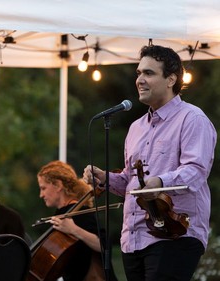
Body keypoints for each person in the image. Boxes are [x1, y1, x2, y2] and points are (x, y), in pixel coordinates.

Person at [83, 45, 217, 281]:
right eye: (138, 73)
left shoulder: (193, 119)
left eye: (148, 73)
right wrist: (107, 179)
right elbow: (131, 183)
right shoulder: (136, 128)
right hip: (134, 238)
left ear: (171, 79)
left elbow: (196, 172)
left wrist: (160, 181)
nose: (140, 80)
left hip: (175, 233)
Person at [34, 160, 118, 281]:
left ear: (58, 185)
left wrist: (74, 229)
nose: (41, 195)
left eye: (43, 188)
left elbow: (104, 245)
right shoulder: (62, 213)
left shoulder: (80, 213)